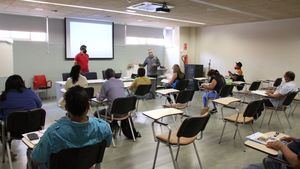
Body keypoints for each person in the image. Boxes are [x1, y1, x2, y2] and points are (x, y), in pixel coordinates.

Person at [29, 86, 112, 168]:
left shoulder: (52, 134)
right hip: (86, 165)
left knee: (29, 153)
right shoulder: (103, 127)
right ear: (88, 106)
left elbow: (37, 159)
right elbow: (107, 144)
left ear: (66, 108)